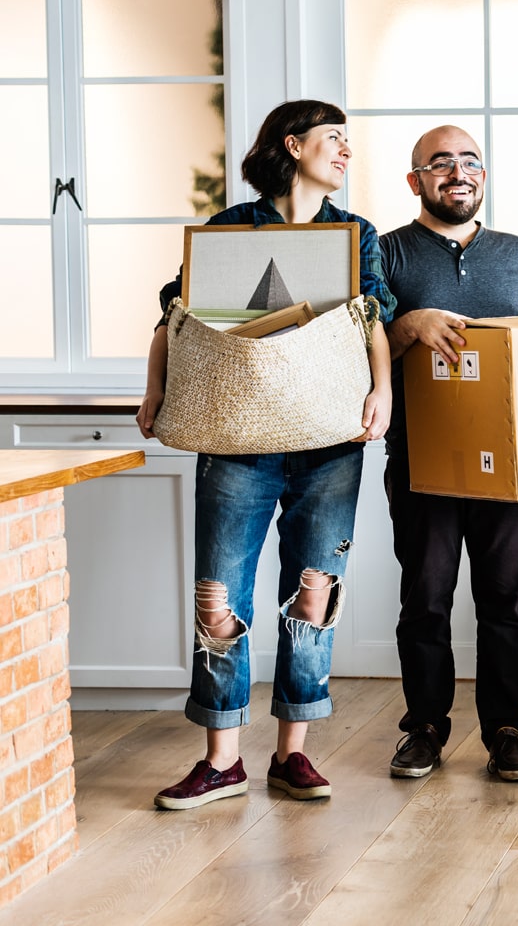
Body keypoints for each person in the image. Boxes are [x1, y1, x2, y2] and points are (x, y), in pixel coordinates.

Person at [136, 99, 395, 810]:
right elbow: (174, 317)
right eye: (332, 139)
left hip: (330, 438)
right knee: (219, 595)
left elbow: (372, 318)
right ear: (293, 143)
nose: (345, 152)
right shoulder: (229, 228)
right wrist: (154, 391)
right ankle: (222, 760)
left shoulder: (355, 233)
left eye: (349, 142)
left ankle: (292, 755)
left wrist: (383, 394)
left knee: (314, 594)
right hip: (235, 435)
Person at [380, 124, 518, 782]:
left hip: (509, 465)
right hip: (422, 463)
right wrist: (409, 324)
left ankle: (508, 731)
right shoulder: (386, 254)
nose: (458, 173)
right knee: (425, 600)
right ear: (416, 181)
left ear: (482, 177)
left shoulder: (517, 254)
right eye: (440, 164)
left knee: (505, 602)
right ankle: (424, 728)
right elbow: (357, 350)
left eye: (470, 163)